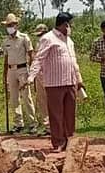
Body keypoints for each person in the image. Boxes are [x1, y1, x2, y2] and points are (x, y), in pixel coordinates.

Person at [29, 12, 83, 150]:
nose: (71, 27)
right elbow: (39, 58)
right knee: (56, 115)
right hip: (54, 83)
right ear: (65, 25)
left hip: (70, 82)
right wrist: (31, 77)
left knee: (70, 114)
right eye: (70, 25)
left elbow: (73, 60)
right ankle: (58, 142)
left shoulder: (69, 41)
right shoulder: (48, 38)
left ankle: (69, 140)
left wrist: (79, 78)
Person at [2, 13, 37, 133]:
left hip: (22, 69)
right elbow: (6, 59)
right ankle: (18, 123)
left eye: (11, 25)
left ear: (16, 25)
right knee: (14, 98)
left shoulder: (24, 38)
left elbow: (31, 54)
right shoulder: (6, 41)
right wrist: (4, 74)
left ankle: (32, 123)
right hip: (11, 70)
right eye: (7, 25)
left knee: (26, 97)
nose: (9, 27)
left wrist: (32, 70)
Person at [32, 23, 50, 134]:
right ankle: (47, 126)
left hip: (49, 75)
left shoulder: (51, 42)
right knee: (42, 101)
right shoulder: (38, 43)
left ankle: (56, 126)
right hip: (39, 74)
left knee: (51, 101)